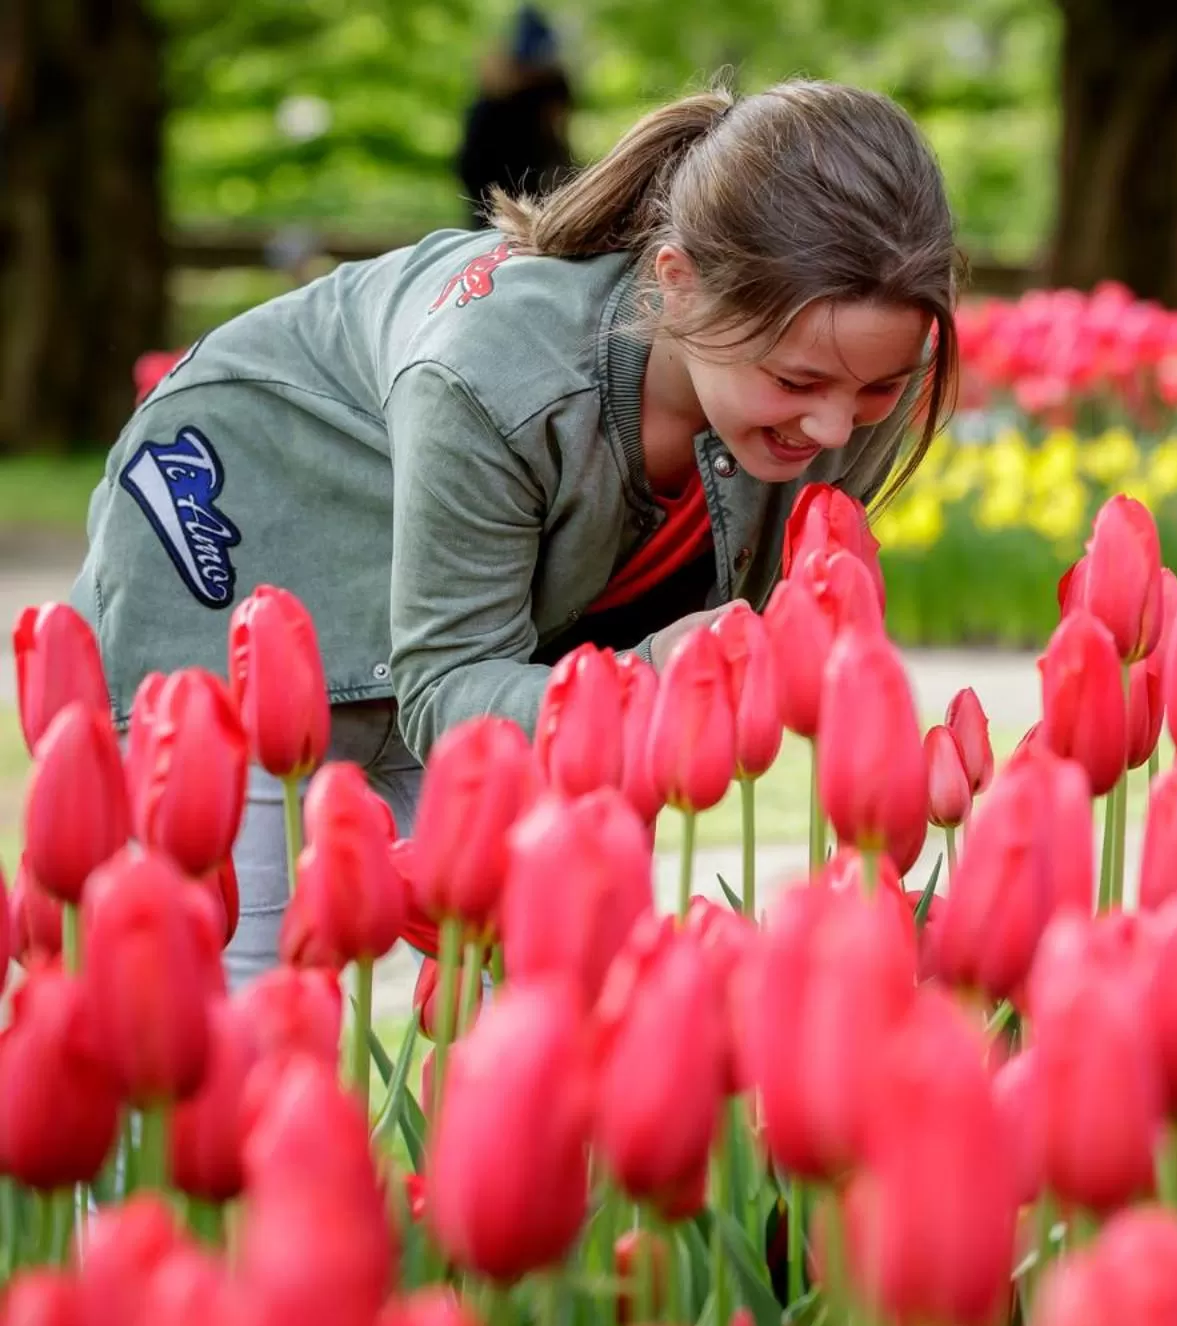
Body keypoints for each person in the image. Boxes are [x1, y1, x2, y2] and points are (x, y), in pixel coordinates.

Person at [73, 78, 965, 988]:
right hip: (239, 542)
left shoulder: (855, 365)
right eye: (796, 380)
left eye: (875, 390)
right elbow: (446, 684)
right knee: (233, 1011)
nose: (831, 429)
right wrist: (652, 680)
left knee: (550, 993)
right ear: (680, 286)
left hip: (487, 654)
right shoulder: (498, 380)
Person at [455, 6, 577, 228]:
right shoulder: (494, 97)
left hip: (531, 183)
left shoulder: (551, 86)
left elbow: (557, 139)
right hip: (491, 184)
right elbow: (474, 164)